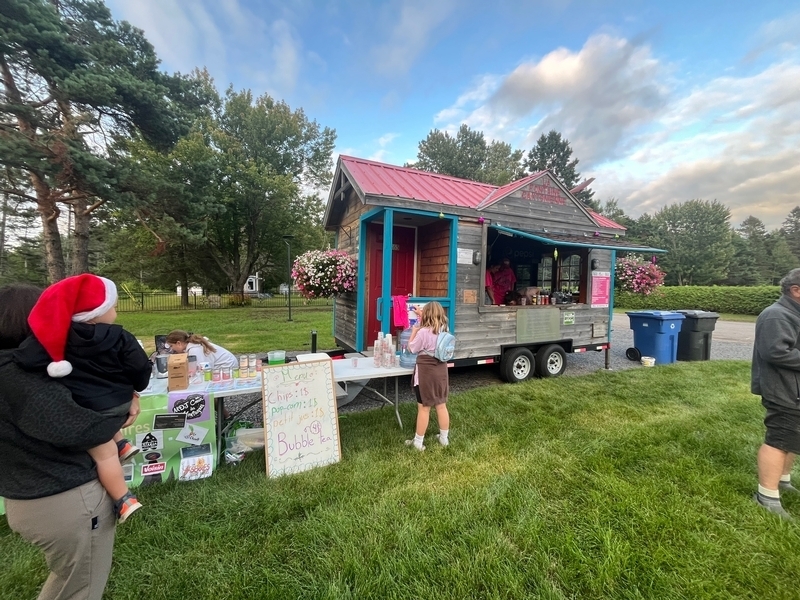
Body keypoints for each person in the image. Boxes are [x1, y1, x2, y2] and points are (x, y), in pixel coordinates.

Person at [0, 283, 139, 600]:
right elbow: (81, 429)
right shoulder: (21, 380)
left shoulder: (16, 368)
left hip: (24, 495)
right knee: (81, 588)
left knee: (69, 581)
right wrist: (121, 407)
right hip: (65, 501)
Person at [14, 274, 152, 523]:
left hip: (84, 409)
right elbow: (140, 367)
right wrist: (136, 389)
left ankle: (124, 499)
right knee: (108, 437)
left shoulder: (56, 338)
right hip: (119, 402)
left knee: (104, 455)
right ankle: (122, 453)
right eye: (113, 307)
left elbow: (24, 360)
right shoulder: (121, 337)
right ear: (96, 312)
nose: (116, 313)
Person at [752, 268, 800, 519]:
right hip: (783, 389)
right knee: (779, 439)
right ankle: (766, 496)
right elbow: (776, 352)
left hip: (795, 389)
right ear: (796, 290)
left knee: (793, 437)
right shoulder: (776, 316)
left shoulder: (793, 313)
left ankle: (782, 480)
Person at [404, 301, 450, 451]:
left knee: (424, 408)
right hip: (441, 371)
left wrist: (413, 332)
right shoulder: (445, 329)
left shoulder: (422, 332)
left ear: (427, 315)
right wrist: (421, 313)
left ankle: (418, 442)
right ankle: (444, 439)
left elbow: (412, 348)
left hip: (425, 373)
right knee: (441, 405)